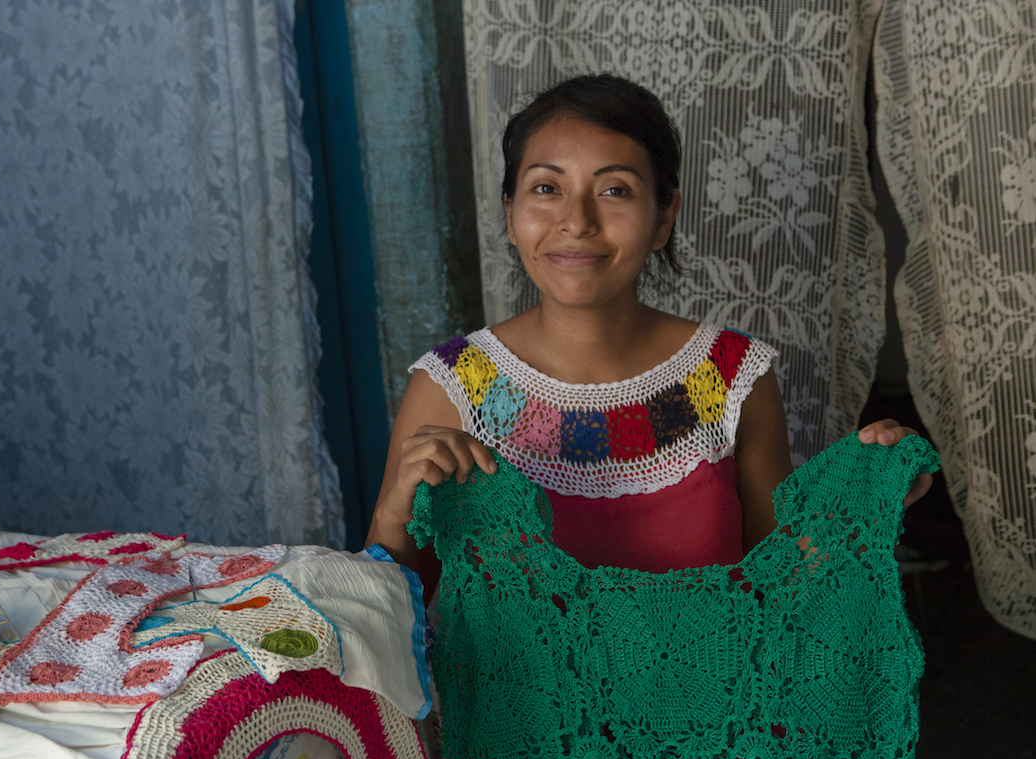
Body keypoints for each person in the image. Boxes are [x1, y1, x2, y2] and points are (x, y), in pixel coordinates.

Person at [367, 74, 930, 597]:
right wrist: (396, 511)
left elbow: (778, 582)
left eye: (614, 191)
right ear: (512, 213)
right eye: (546, 188)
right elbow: (381, 611)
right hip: (503, 708)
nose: (577, 220)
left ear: (664, 218)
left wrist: (864, 494)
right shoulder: (452, 386)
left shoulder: (731, 378)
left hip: (710, 704)